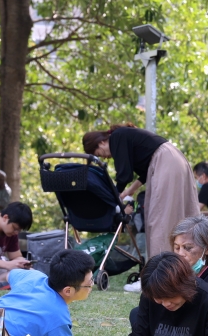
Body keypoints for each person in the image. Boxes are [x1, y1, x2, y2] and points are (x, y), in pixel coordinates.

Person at [82, 124, 198, 290]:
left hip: (166, 163)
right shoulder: (127, 138)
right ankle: (177, 272)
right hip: (173, 160)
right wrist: (126, 192)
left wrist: (113, 196)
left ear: (100, 143)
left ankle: (158, 278)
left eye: (99, 154)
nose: (104, 158)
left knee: (160, 221)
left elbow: (124, 174)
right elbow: (142, 174)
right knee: (177, 219)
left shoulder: (117, 137)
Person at [128, 214, 208, 330]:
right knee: (136, 314)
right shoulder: (172, 268)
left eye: (187, 248)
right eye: (177, 248)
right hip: (174, 323)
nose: (180, 253)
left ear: (207, 249)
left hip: (200, 325)